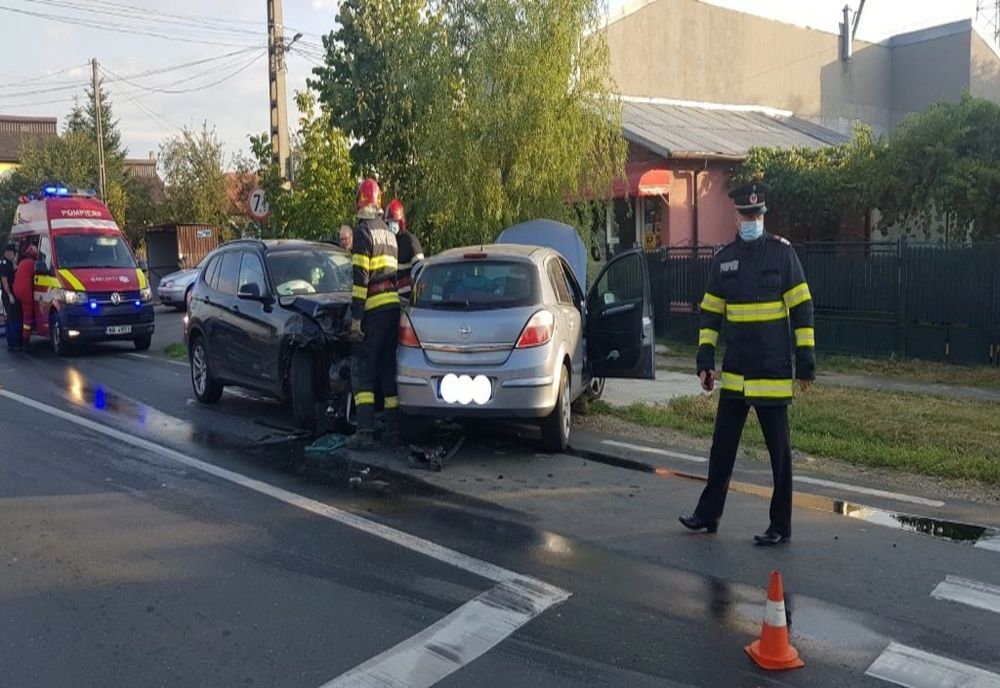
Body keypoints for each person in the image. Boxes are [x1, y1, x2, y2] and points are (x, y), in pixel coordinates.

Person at [679, 182, 816, 546]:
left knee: (780, 456)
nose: (752, 219)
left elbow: (802, 309)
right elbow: (710, 316)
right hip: (736, 375)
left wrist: (806, 363)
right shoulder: (724, 260)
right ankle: (707, 515)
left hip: (771, 373)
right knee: (721, 450)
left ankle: (780, 525)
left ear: (763, 214)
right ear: (737, 216)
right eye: (746, 214)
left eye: (757, 214)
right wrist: (704, 361)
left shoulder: (782, 255)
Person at [348, 178, 400, 450]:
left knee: (363, 368)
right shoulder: (389, 234)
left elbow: (360, 280)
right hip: (393, 308)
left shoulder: (363, 232)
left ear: (361, 201)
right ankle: (394, 430)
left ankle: (365, 431)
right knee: (387, 369)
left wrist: (356, 318)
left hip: (374, 308)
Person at [385, 198, 424, 301]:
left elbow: (420, 270)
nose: (392, 226)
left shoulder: (410, 241)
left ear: (401, 221)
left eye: (395, 222)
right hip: (392, 297)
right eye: (389, 223)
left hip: (408, 298)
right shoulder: (388, 241)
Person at [13, 243, 38, 351]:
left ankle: (16, 339)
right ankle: (25, 342)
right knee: (27, 319)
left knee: (19, 316)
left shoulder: (22, 262)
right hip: (25, 292)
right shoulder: (33, 264)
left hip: (16, 290)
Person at [1, 242, 21, 351]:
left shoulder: (9, 262)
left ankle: (14, 341)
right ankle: (12, 343)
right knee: (11, 318)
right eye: (11, 252)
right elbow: (4, 281)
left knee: (13, 317)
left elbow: (15, 266)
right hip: (7, 294)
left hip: (12, 293)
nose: (12, 253)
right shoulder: (4, 264)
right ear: (6, 252)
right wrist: (9, 295)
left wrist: (17, 252)